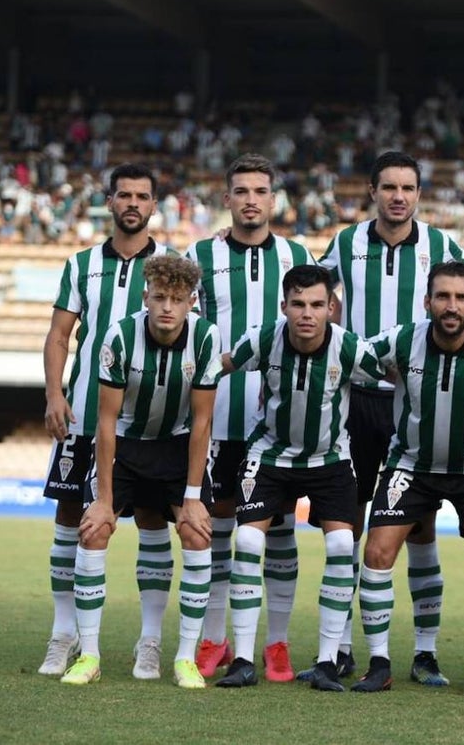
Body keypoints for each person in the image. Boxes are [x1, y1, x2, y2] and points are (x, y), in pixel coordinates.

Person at [314, 151, 464, 687]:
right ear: (372, 191)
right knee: (350, 519)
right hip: (356, 398)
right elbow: (313, 295)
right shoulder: (345, 243)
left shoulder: (443, 247)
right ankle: (338, 647)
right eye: (389, 187)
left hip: (415, 399)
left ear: (419, 193)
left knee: (420, 525)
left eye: (408, 187)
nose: (398, 196)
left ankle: (425, 651)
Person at [350, 262, 464, 696]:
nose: (451, 307)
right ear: (428, 301)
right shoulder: (401, 340)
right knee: (376, 553)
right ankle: (379, 663)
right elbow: (350, 356)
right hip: (410, 467)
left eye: (460, 298)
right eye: (443, 297)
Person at [212, 265, 387, 691]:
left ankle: (328, 662)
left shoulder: (349, 348)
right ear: (284, 306)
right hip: (269, 455)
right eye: (298, 304)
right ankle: (242, 660)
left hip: (329, 459)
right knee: (250, 540)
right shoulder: (263, 339)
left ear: (331, 308)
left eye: (316, 305)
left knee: (343, 544)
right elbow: (222, 365)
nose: (306, 314)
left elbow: (398, 373)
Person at [185, 154, 317, 683]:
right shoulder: (198, 254)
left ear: (273, 198)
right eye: (241, 190)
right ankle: (215, 638)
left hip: (281, 422)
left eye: (260, 190)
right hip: (218, 417)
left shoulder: (298, 254)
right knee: (219, 527)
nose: (251, 199)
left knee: (280, 530)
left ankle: (277, 644)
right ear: (227, 199)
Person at [61, 255, 222, 687]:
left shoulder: (206, 337)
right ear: (145, 297)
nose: (167, 307)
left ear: (191, 302)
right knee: (94, 529)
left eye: (176, 299)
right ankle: (89, 655)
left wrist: (192, 497)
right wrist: (104, 500)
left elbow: (202, 422)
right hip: (126, 445)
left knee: (196, 531)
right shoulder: (118, 336)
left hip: (177, 444)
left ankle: (182, 656)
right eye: (159, 297)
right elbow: (107, 422)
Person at [38, 163, 169, 677]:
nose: (133, 203)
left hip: (149, 424)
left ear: (154, 205)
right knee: (71, 519)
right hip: (85, 416)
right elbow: (58, 336)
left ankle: (151, 641)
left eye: (142, 196)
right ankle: (63, 634)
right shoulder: (81, 264)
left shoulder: (172, 267)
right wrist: (54, 393)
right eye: (124, 195)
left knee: (154, 522)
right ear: (110, 202)